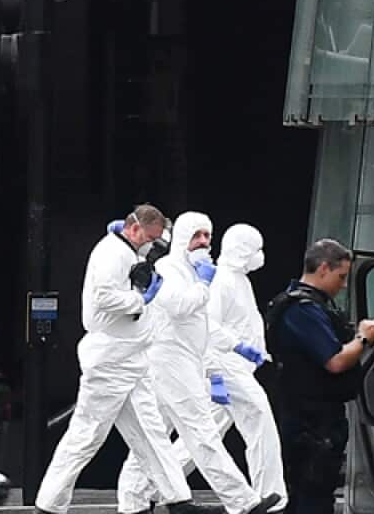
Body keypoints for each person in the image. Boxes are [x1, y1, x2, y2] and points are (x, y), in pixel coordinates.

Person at [35, 205, 217, 514]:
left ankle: (178, 499)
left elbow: (159, 235)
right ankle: (49, 505)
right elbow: (103, 297)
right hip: (111, 360)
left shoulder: (126, 248)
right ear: (134, 230)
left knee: (151, 433)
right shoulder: (113, 254)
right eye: (150, 238)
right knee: (87, 435)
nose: (153, 245)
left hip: (132, 358)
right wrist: (140, 299)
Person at [117, 213, 279, 514]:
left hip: (183, 361)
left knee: (154, 435)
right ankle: (242, 502)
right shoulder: (168, 269)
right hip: (168, 360)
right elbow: (179, 307)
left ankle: (134, 500)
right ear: (182, 238)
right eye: (198, 235)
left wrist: (227, 358)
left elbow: (203, 328)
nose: (204, 242)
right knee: (201, 432)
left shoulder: (194, 272)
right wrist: (204, 285)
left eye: (208, 236)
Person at [264, 239, 374, 514]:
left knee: (314, 492)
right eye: (341, 277)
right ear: (323, 269)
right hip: (310, 421)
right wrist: (363, 339)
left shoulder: (310, 306)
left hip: (313, 416)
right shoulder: (302, 310)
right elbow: (335, 361)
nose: (343, 285)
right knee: (312, 495)